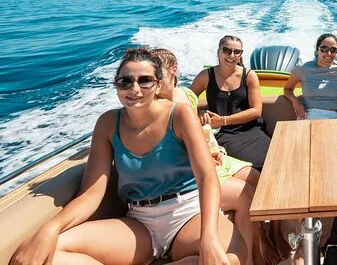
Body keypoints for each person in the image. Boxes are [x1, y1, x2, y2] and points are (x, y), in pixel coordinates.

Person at [11, 48, 246, 265]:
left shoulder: (180, 115)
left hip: (188, 212)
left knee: (231, 259)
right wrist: (50, 229)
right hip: (140, 221)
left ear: (157, 85)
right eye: (125, 81)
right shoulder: (107, 123)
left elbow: (206, 177)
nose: (134, 89)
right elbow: (91, 194)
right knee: (41, 251)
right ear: (116, 86)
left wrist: (208, 238)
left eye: (144, 80)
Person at [152, 48, 280, 265]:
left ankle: (262, 238)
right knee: (246, 192)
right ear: (219, 52)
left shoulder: (186, 95)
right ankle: (253, 253)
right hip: (192, 168)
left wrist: (205, 131)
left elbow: (194, 130)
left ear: (173, 71)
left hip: (212, 153)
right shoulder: (156, 107)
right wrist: (204, 151)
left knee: (258, 178)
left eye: (156, 76)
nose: (151, 84)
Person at [190, 35, 271, 172]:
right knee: (252, 166)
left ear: (241, 54)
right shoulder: (205, 76)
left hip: (251, 130)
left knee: (272, 159)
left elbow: (256, 111)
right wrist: (199, 112)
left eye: (237, 52)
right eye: (227, 50)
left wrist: (223, 120)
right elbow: (186, 100)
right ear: (219, 52)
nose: (231, 55)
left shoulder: (249, 76)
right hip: (223, 134)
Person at [283, 33, 337, 120]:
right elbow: (287, 89)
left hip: (331, 117)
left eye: (333, 50)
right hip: (306, 116)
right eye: (324, 49)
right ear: (317, 50)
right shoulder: (302, 68)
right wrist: (295, 102)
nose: (329, 53)